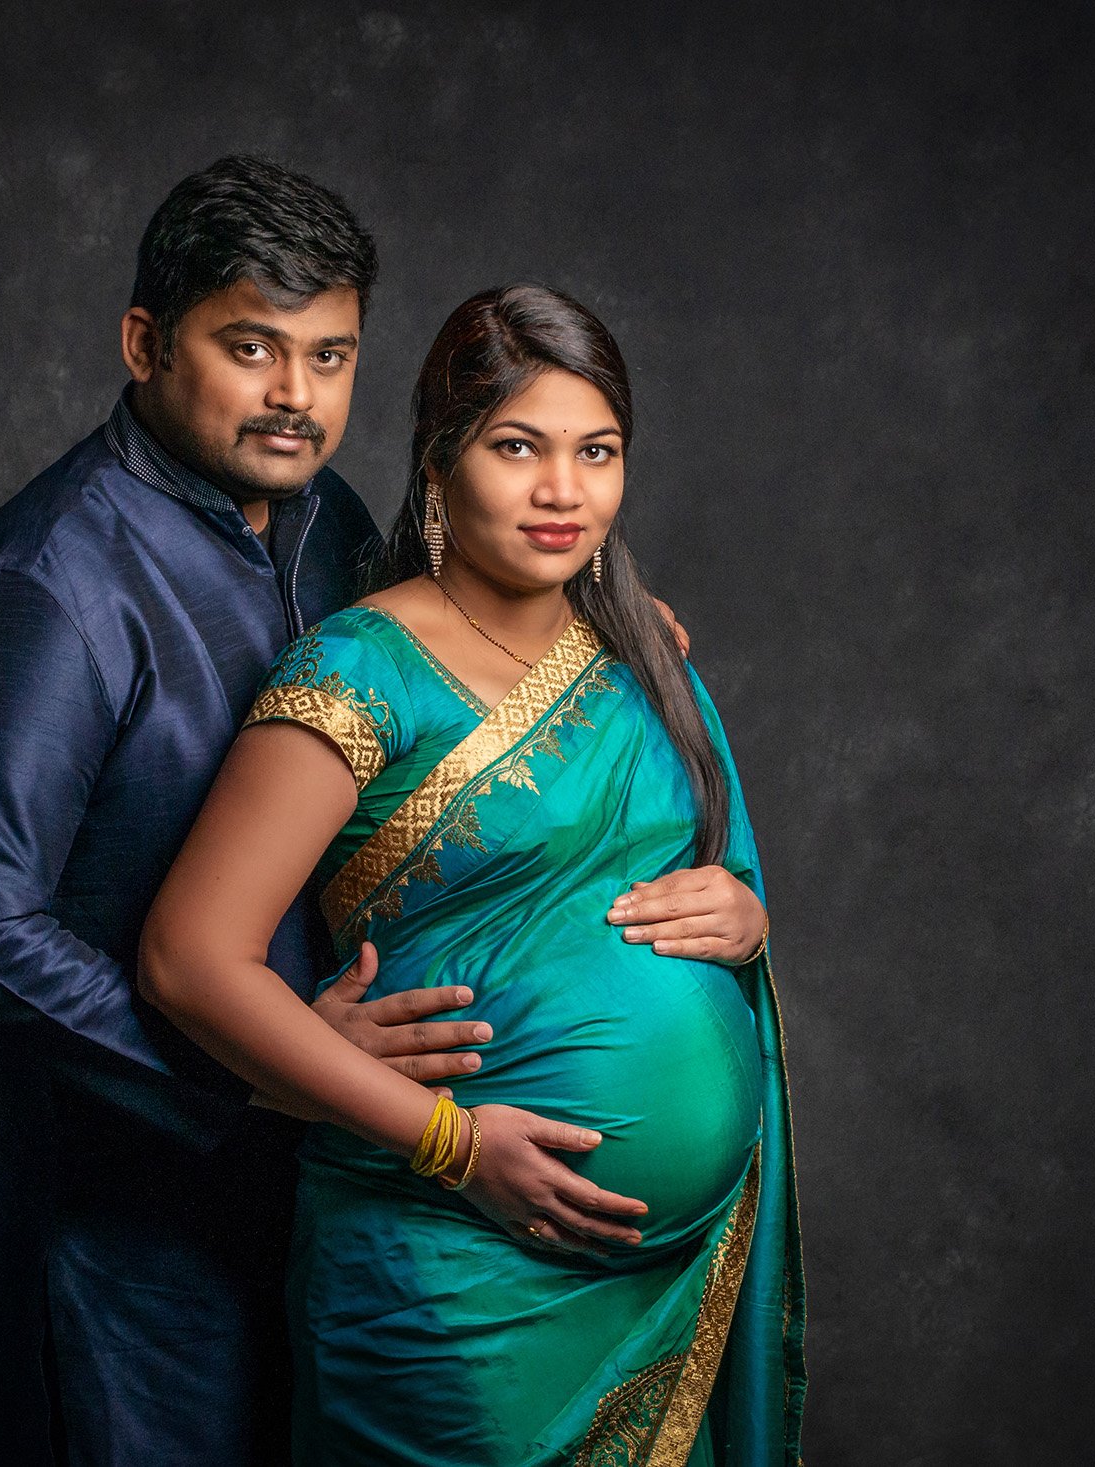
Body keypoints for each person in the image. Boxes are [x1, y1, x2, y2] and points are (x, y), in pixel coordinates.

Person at [0, 155, 769, 1463]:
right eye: (251, 348)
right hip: (140, 1203)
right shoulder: (50, 578)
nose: (295, 396)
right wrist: (246, 1071)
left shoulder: (324, 523)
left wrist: (598, 631)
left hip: (351, 1173)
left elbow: (439, 683)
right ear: (146, 343)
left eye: (329, 355)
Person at [141, 284, 804, 1465]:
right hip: (445, 1277)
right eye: (518, 447)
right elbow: (188, 960)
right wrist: (451, 1142)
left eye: (595, 452)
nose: (563, 492)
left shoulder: (634, 649)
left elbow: (701, 858)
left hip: (659, 1290)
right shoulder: (357, 671)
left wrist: (745, 919)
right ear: (441, 462)